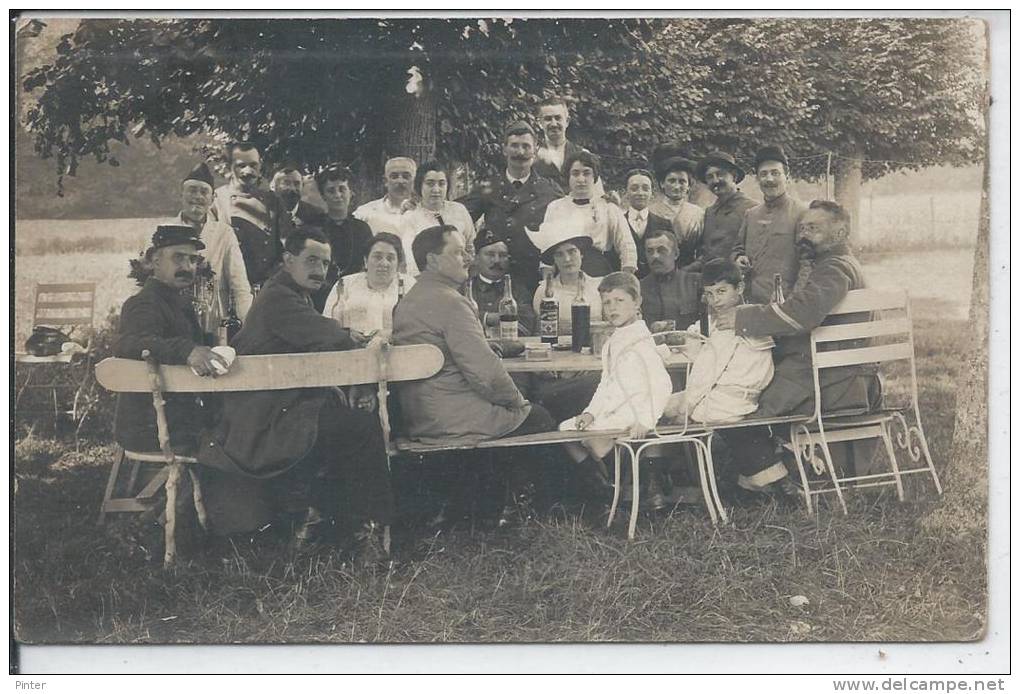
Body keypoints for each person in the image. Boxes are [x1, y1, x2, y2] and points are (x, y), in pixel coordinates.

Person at [198, 227, 393, 562]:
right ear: (288, 260)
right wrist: (355, 336)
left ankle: (333, 524)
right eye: (311, 260)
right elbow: (328, 335)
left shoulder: (292, 294)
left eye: (326, 263)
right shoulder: (279, 298)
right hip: (262, 420)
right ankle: (367, 529)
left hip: (275, 409)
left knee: (348, 423)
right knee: (362, 428)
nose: (320, 270)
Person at [713, 200, 880, 495]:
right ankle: (773, 474)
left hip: (825, 379)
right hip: (837, 372)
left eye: (813, 229)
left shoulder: (834, 268)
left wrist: (743, 318)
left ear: (840, 233)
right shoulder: (841, 265)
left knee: (732, 407)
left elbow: (804, 313)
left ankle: (772, 481)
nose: (803, 236)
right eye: (801, 229)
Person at [113, 225, 230, 453]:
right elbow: (129, 344)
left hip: (173, 418)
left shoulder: (177, 301)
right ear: (155, 262)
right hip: (152, 427)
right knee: (242, 435)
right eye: (178, 258)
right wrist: (187, 351)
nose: (187, 267)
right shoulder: (144, 303)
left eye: (193, 260)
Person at [561, 272, 672, 466]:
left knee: (589, 439)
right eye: (607, 302)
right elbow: (605, 384)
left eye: (619, 300)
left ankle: (613, 473)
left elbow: (662, 385)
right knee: (565, 429)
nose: (612, 308)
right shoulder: (613, 341)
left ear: (637, 302)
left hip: (632, 413)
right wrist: (590, 413)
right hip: (612, 410)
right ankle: (599, 477)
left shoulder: (641, 341)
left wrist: (646, 420)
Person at [662, 259, 775, 424]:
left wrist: (685, 410)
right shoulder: (750, 316)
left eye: (721, 291)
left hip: (724, 403)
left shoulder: (730, 323)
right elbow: (697, 335)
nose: (715, 300)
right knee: (666, 405)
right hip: (741, 399)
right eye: (709, 294)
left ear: (740, 288)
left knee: (663, 414)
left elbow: (705, 373)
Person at [458, 120, 563, 297]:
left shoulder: (549, 191)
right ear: (504, 149)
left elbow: (566, 231)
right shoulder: (489, 187)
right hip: (496, 278)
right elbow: (459, 217)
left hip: (535, 281)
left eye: (526, 146)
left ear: (535, 150)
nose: (520, 152)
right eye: (514, 146)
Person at [175, 162, 253, 329]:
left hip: (213, 324)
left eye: (204, 192)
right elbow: (143, 283)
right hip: (173, 321)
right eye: (192, 190)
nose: (197, 197)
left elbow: (240, 286)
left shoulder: (224, 234)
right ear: (180, 195)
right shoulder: (163, 232)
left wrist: (250, 328)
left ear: (212, 199)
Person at [539, 150, 637, 277]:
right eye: (575, 174)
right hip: (565, 271)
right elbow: (546, 247)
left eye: (586, 173)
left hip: (598, 271)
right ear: (568, 177)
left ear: (594, 177)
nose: (581, 179)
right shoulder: (555, 208)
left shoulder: (608, 207)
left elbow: (627, 246)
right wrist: (548, 282)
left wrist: (626, 279)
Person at [731, 145, 806, 304]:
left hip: (785, 302)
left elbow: (808, 264)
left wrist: (794, 302)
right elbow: (738, 249)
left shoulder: (803, 214)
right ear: (757, 179)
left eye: (775, 173)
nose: (769, 179)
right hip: (751, 302)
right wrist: (738, 258)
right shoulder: (751, 214)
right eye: (763, 174)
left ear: (787, 176)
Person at [212, 142, 292, 290]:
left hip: (267, 287)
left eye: (253, 165)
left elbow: (288, 247)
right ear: (230, 167)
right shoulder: (217, 200)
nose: (248, 171)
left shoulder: (273, 201)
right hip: (229, 287)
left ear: (260, 166)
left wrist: (272, 280)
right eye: (241, 166)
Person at [309, 164, 375, 312]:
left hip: (355, 296)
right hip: (318, 296)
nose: (337, 195)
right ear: (323, 196)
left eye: (342, 189)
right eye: (331, 191)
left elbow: (367, 266)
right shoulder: (313, 227)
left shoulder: (362, 229)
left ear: (351, 193)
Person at [323, 232, 415, 337]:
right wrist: (346, 334)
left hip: (397, 345)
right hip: (350, 345)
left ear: (398, 263)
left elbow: (416, 325)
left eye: (390, 258)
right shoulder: (345, 283)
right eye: (377, 257)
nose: (384, 263)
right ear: (366, 260)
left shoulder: (409, 284)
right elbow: (328, 323)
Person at [527, 216, 603, 338]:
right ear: (554, 260)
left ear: (581, 254)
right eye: (559, 254)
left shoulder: (599, 287)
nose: (567, 259)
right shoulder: (544, 291)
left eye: (572, 251)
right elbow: (539, 334)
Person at [398, 161, 476, 275]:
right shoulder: (410, 217)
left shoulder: (459, 210)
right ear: (420, 185)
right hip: (428, 278)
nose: (436, 189)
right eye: (430, 183)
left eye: (441, 183)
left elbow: (471, 245)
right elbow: (411, 261)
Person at [468, 226, 537, 338]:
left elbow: (526, 326)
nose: (497, 260)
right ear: (476, 259)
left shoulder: (518, 290)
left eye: (502, 255)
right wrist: (488, 317)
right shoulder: (466, 289)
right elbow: (456, 321)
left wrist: (480, 318)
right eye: (490, 254)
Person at [531, 96, 605, 198]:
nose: (553, 124)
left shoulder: (583, 154)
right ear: (540, 123)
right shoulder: (532, 157)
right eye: (548, 119)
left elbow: (598, 194)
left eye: (558, 118)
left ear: (567, 121)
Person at [695, 150, 757, 268]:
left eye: (720, 174)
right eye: (710, 177)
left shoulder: (752, 209)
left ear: (734, 176)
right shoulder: (709, 212)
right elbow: (705, 254)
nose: (715, 180)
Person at [639, 228, 702, 332]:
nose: (655, 256)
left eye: (661, 250)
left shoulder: (695, 282)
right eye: (650, 251)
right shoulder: (639, 289)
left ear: (676, 254)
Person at [649, 155, 704, 267]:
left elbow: (703, 247)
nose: (677, 186)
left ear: (689, 186)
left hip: (690, 268)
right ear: (662, 184)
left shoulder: (698, 213)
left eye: (682, 181)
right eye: (672, 181)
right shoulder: (651, 211)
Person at [621, 168, 673, 278]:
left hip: (656, 281)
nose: (640, 193)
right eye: (634, 189)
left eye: (645, 189)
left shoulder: (665, 224)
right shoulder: (618, 222)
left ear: (652, 193)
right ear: (626, 192)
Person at [352, 156, 417, 236]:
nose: (400, 181)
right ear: (385, 181)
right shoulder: (365, 212)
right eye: (394, 176)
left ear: (415, 180)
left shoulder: (424, 212)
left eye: (406, 176)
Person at [270, 161, 324, 228]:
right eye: (287, 183)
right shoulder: (265, 209)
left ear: (302, 187)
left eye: (297, 184)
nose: (292, 188)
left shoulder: (316, 215)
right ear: (276, 187)